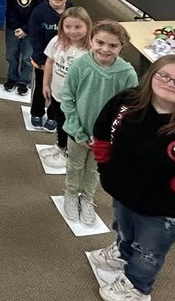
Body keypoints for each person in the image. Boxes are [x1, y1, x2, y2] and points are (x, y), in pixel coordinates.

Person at [90, 56, 175, 301]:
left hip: (161, 212)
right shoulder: (128, 101)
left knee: (149, 251)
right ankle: (123, 252)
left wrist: (159, 205)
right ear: (150, 76)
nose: (170, 83)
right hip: (124, 194)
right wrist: (106, 169)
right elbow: (103, 131)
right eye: (163, 75)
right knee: (124, 229)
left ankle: (138, 286)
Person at [59, 21, 138, 226]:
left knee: (95, 169)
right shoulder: (80, 65)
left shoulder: (127, 74)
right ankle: (71, 193)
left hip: (104, 138)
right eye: (100, 42)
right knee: (75, 164)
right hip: (77, 131)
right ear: (91, 41)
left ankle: (86, 197)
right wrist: (78, 131)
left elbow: (128, 110)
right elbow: (68, 99)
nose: (105, 49)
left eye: (112, 45)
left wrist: (108, 136)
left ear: (122, 47)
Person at [39, 7, 92, 169]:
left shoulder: (90, 51)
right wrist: (45, 84)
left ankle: (68, 152)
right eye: (67, 26)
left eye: (78, 27)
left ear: (88, 26)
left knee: (71, 126)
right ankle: (60, 146)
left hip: (75, 100)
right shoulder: (56, 41)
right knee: (60, 121)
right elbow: (49, 62)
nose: (72, 31)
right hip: (57, 93)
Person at [27, 0, 73, 128]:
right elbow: (34, 37)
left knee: (59, 90)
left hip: (63, 61)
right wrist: (41, 60)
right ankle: (36, 113)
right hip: (42, 60)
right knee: (41, 87)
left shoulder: (73, 12)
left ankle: (53, 116)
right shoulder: (38, 12)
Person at [3, 0, 45, 95]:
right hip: (12, 28)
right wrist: (16, 27)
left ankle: (23, 81)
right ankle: (12, 77)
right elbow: (7, 6)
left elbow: (38, 11)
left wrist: (26, 29)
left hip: (31, 29)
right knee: (11, 55)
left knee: (28, 57)